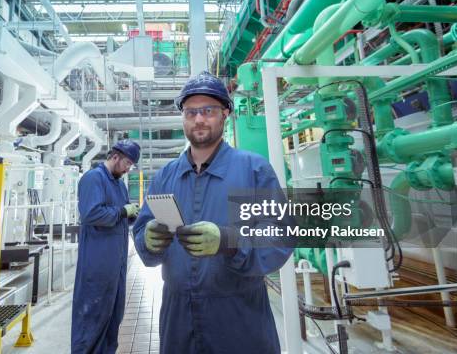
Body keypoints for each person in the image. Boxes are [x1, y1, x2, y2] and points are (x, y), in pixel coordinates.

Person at [132, 72, 294, 354]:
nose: (199, 119)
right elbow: (143, 228)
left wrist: (228, 241)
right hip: (177, 318)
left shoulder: (253, 170)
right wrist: (147, 239)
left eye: (208, 111)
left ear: (225, 114)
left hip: (238, 317)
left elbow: (279, 236)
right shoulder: (166, 176)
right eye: (191, 112)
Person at [71, 140, 141, 353]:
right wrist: (122, 212)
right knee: (92, 315)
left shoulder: (119, 183)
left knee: (113, 316)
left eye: (131, 165)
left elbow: (121, 213)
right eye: (127, 163)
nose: (128, 168)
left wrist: (132, 214)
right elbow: (91, 214)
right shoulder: (94, 178)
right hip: (97, 261)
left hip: (116, 262)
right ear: (115, 156)